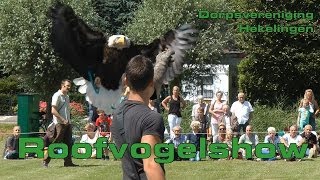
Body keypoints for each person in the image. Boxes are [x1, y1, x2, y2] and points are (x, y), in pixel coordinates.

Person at [111, 55, 165, 180]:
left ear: (125, 80)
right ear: (151, 83)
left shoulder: (118, 113)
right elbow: (151, 165)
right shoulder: (151, 118)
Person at [43, 79, 78, 167]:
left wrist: (69, 121)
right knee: (55, 143)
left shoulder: (67, 96)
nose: (69, 88)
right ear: (62, 86)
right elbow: (53, 110)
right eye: (67, 86)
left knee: (68, 143)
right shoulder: (57, 95)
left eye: (70, 86)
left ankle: (68, 162)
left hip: (67, 124)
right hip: (59, 124)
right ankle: (45, 162)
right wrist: (63, 120)